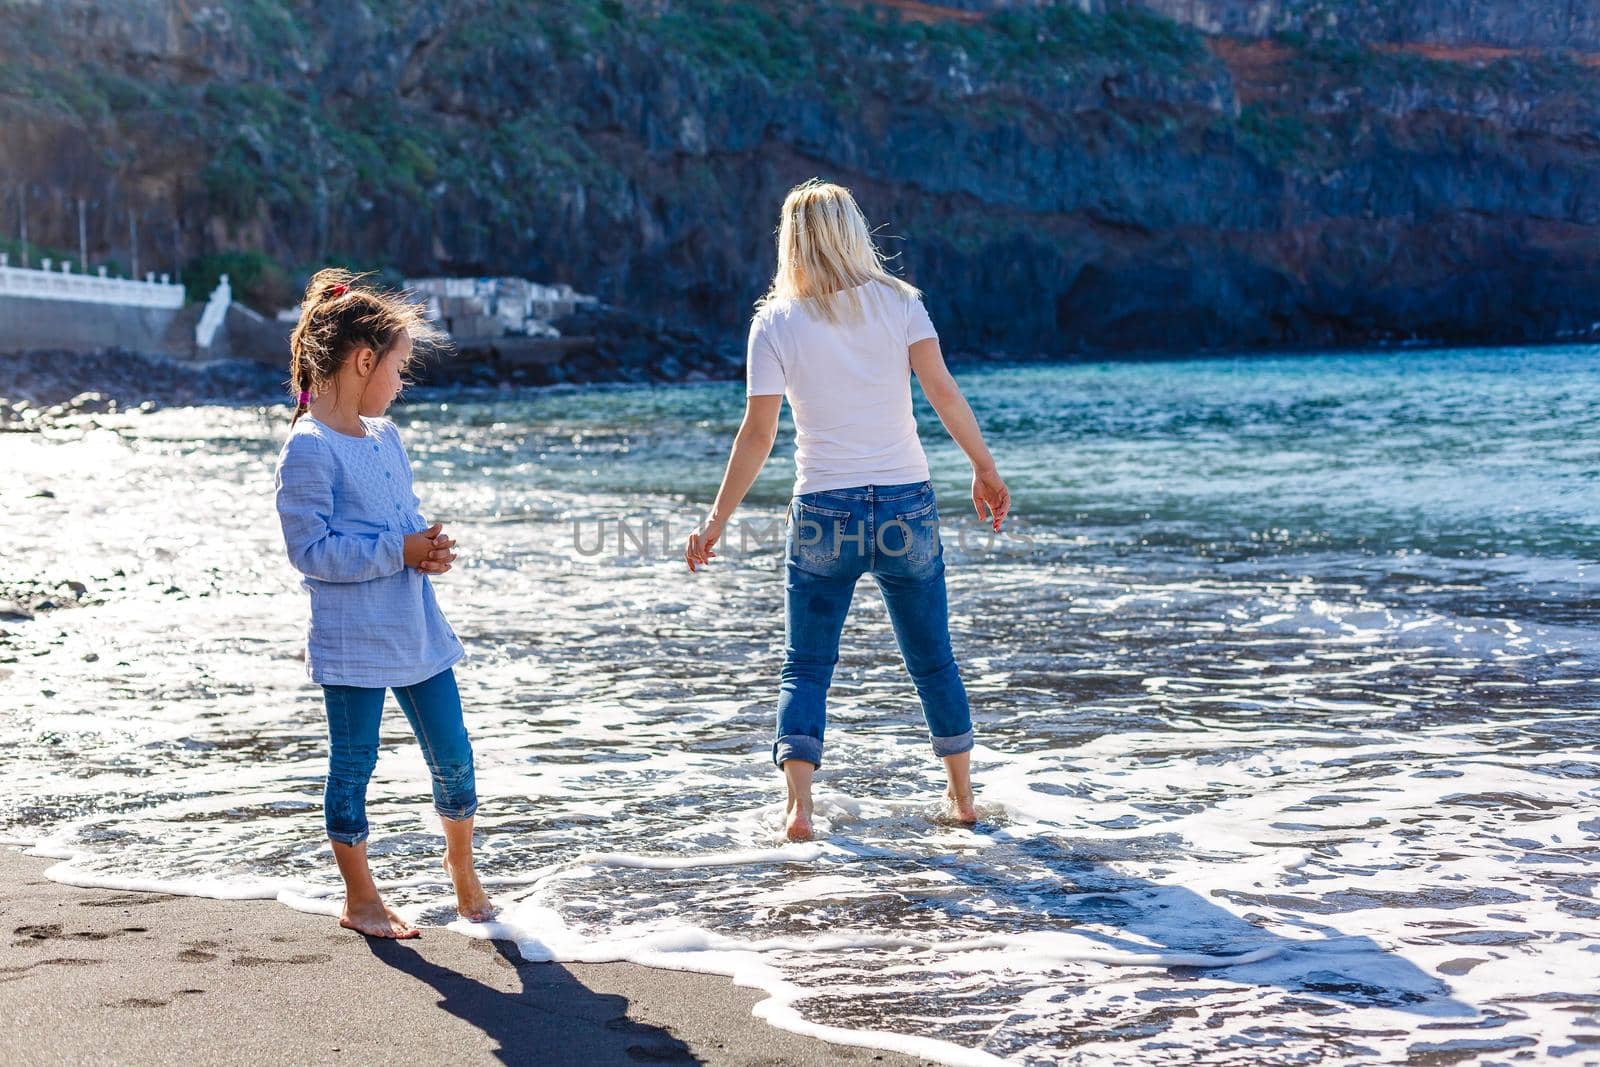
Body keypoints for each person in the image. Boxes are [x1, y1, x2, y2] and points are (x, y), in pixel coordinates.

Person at [685, 179, 1011, 842]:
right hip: (905, 503)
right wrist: (984, 465)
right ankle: (962, 797)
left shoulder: (775, 321)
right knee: (933, 659)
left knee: (806, 664)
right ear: (853, 232)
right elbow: (942, 391)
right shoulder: (900, 302)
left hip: (823, 508)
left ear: (792, 242)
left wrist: (716, 519)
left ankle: (799, 810)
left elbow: (757, 434)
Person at [273, 268, 494, 937]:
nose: (401, 384)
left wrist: (425, 546)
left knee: (453, 752)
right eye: (398, 368)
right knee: (354, 761)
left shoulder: (386, 438)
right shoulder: (309, 449)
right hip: (352, 641)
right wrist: (397, 550)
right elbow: (311, 550)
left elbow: (399, 520)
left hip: (415, 625)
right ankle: (361, 897)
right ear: (363, 360)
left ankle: (462, 870)